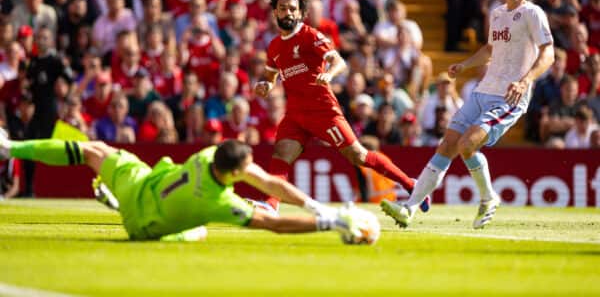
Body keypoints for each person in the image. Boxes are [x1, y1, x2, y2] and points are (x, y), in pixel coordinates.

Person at [380, 0, 554, 229]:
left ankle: (488, 197)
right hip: (483, 91)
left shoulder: (533, 14)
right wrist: (465, 64)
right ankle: (409, 208)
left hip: (509, 96)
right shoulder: (497, 14)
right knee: (447, 145)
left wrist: (525, 80)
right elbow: (490, 49)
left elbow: (549, 53)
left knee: (467, 144)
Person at [0, 134, 373, 242]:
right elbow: (274, 224)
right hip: (141, 224)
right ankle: (121, 209)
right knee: (194, 233)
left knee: (92, 151)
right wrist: (331, 222)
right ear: (232, 173)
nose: (253, 172)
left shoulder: (210, 154)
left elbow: (268, 181)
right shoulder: (218, 203)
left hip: (139, 183)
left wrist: (313, 204)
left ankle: (9, 147)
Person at [254, 0, 429, 212]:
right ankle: (271, 204)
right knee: (281, 154)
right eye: (282, 8)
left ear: (299, 13)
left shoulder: (311, 35)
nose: (287, 13)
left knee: (358, 155)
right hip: (296, 113)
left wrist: (329, 73)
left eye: (292, 9)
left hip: (323, 110)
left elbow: (338, 61)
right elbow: (271, 75)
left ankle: (410, 183)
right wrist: (266, 85)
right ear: (275, 12)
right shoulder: (275, 46)